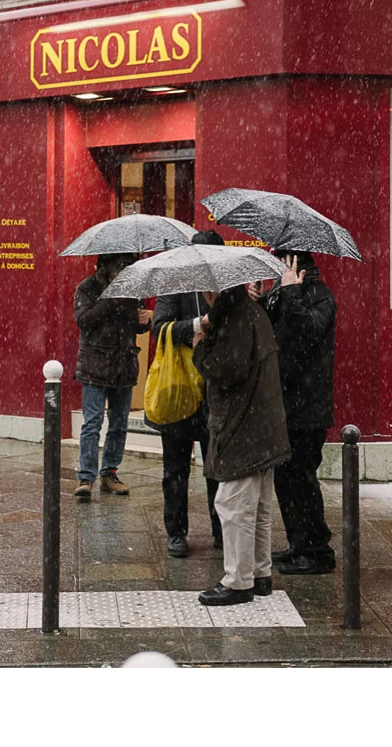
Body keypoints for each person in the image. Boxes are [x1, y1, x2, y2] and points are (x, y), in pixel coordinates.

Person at [192, 283, 291, 606]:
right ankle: (259, 575)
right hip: (263, 425)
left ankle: (237, 581)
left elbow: (226, 370)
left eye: (205, 287)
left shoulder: (235, 317)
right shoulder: (252, 311)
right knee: (258, 507)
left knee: (232, 505)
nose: (203, 293)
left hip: (243, 426)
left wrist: (201, 347)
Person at [250, 250, 337, 575]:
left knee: (303, 480)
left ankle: (317, 551)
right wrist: (260, 303)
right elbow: (274, 337)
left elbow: (310, 333)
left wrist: (290, 293)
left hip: (308, 408)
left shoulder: (319, 295)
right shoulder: (282, 292)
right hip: (285, 404)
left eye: (280, 263)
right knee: (287, 481)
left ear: (294, 264)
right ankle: (298, 544)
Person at [150, 229, 225, 557]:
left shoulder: (230, 287)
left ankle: (222, 530)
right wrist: (197, 325)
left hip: (217, 390)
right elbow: (160, 327)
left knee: (218, 469)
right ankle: (176, 533)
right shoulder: (175, 283)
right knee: (175, 469)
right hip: (180, 388)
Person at [73, 253, 152, 498]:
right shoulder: (87, 288)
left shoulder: (132, 289)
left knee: (119, 425)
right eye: (119, 267)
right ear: (105, 267)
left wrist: (144, 321)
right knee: (92, 423)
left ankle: (109, 473)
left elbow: (136, 326)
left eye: (126, 267)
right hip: (95, 365)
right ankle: (86, 477)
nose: (122, 272)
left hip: (124, 365)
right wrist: (110, 298)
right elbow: (84, 321)